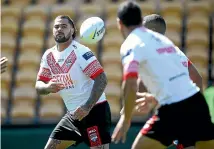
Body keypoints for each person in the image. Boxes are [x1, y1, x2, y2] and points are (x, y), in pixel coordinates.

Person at [111, 1, 214, 149]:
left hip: (173, 109)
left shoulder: (131, 43)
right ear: (140, 20)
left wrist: (125, 119)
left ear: (119, 24)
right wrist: (154, 98)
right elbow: (192, 78)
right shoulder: (165, 41)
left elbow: (131, 82)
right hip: (197, 102)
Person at [35, 15, 111, 149]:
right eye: (56, 26)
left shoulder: (81, 52)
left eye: (64, 26)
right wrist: (46, 87)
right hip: (73, 115)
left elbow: (102, 79)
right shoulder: (48, 56)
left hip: (94, 110)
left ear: (72, 30)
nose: (59, 29)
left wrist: (87, 107)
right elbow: (39, 85)